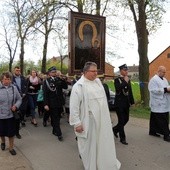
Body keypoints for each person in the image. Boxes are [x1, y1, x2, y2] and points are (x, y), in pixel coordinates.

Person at [69, 62, 121, 170]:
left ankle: (103, 164)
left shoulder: (98, 82)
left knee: (103, 142)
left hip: (102, 120)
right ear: (85, 72)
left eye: (96, 71)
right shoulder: (79, 86)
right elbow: (74, 107)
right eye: (93, 71)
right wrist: (77, 123)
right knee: (89, 147)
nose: (96, 73)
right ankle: (91, 166)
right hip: (89, 121)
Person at [43, 66, 68, 141]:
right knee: (55, 117)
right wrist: (46, 104)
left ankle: (54, 130)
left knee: (58, 117)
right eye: (53, 72)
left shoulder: (59, 79)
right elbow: (45, 93)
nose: (54, 73)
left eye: (55, 72)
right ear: (50, 73)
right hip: (52, 102)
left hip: (59, 102)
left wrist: (63, 80)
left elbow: (65, 87)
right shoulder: (47, 81)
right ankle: (59, 134)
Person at [0, 72, 22, 155]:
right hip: (1, 115)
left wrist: (15, 106)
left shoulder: (13, 88)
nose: (7, 81)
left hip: (11, 115)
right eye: (5, 79)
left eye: (9, 79)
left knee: (11, 133)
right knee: (1, 131)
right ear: (2, 79)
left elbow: (19, 99)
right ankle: (2, 142)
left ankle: (11, 147)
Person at [112, 64, 134, 145]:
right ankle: (122, 138)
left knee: (126, 119)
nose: (126, 71)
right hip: (119, 104)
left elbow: (130, 91)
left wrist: (132, 102)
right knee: (121, 121)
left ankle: (115, 129)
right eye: (125, 70)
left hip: (126, 103)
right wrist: (125, 81)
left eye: (127, 70)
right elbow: (118, 89)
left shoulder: (128, 79)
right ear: (121, 71)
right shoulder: (117, 79)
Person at [148, 66, 170, 142]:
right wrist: (165, 89)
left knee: (154, 118)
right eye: (163, 72)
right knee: (163, 120)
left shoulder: (165, 79)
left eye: (165, 72)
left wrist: (168, 90)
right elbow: (153, 90)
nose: (164, 73)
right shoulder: (154, 80)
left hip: (164, 102)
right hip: (158, 103)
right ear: (159, 71)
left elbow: (167, 88)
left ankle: (152, 131)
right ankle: (166, 135)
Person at [12, 66, 27, 139]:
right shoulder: (11, 79)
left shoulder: (23, 78)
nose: (18, 71)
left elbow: (26, 86)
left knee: (23, 110)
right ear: (14, 71)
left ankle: (22, 119)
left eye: (19, 70)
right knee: (16, 117)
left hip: (22, 97)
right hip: (14, 100)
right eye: (16, 70)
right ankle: (16, 132)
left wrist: (24, 93)